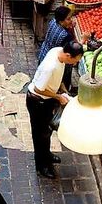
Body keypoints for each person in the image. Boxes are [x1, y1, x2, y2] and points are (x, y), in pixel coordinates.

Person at [26, 41, 84, 178]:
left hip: (46, 100)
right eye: (75, 61)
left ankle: (47, 155)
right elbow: (38, 89)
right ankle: (42, 166)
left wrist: (63, 91)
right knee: (40, 135)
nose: (75, 64)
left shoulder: (58, 51)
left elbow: (58, 78)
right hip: (37, 101)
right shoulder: (50, 67)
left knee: (47, 131)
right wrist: (58, 97)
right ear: (68, 55)